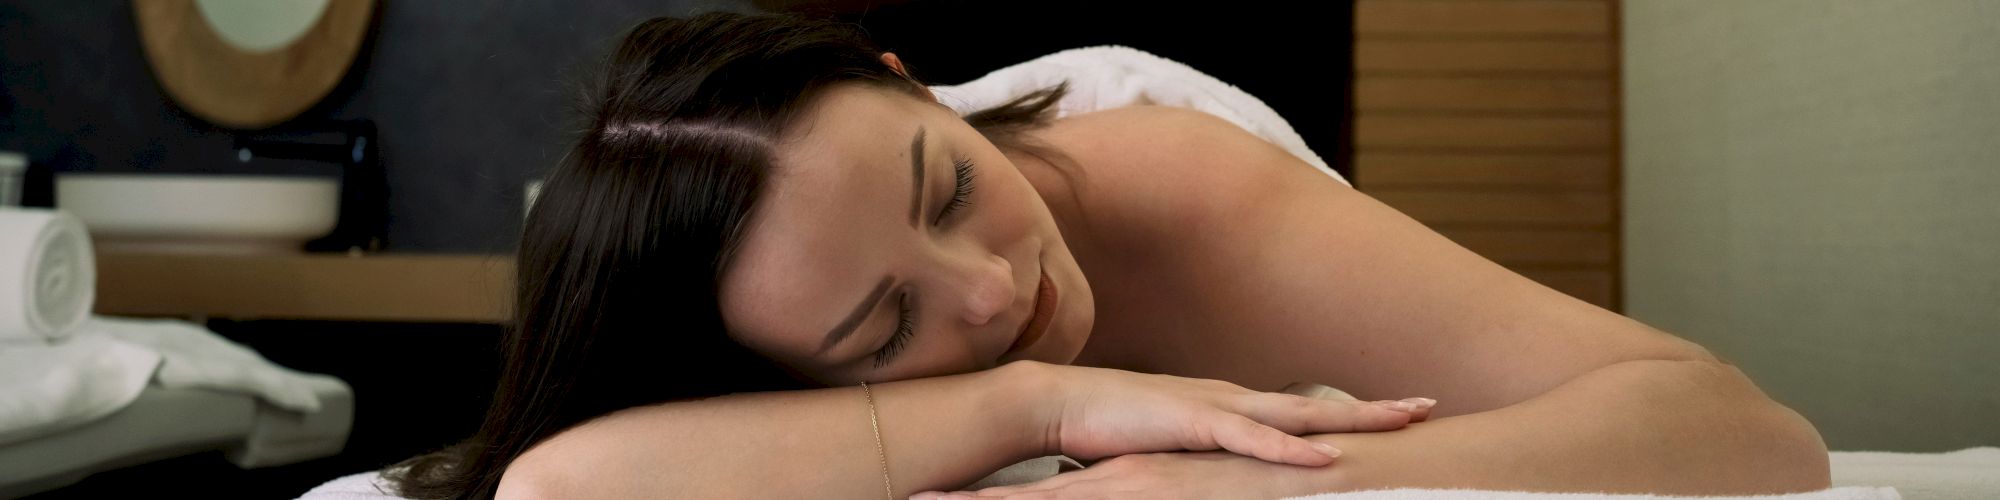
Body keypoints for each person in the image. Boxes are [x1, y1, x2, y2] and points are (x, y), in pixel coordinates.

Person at [385, 12, 1831, 500]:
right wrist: (1039, 404)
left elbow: (1747, 434)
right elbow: (555, 486)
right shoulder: (741, 384)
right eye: (883, 332)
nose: (994, 289)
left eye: (948, 187)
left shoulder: (1173, 182)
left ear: (913, 83)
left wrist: (1266, 484)